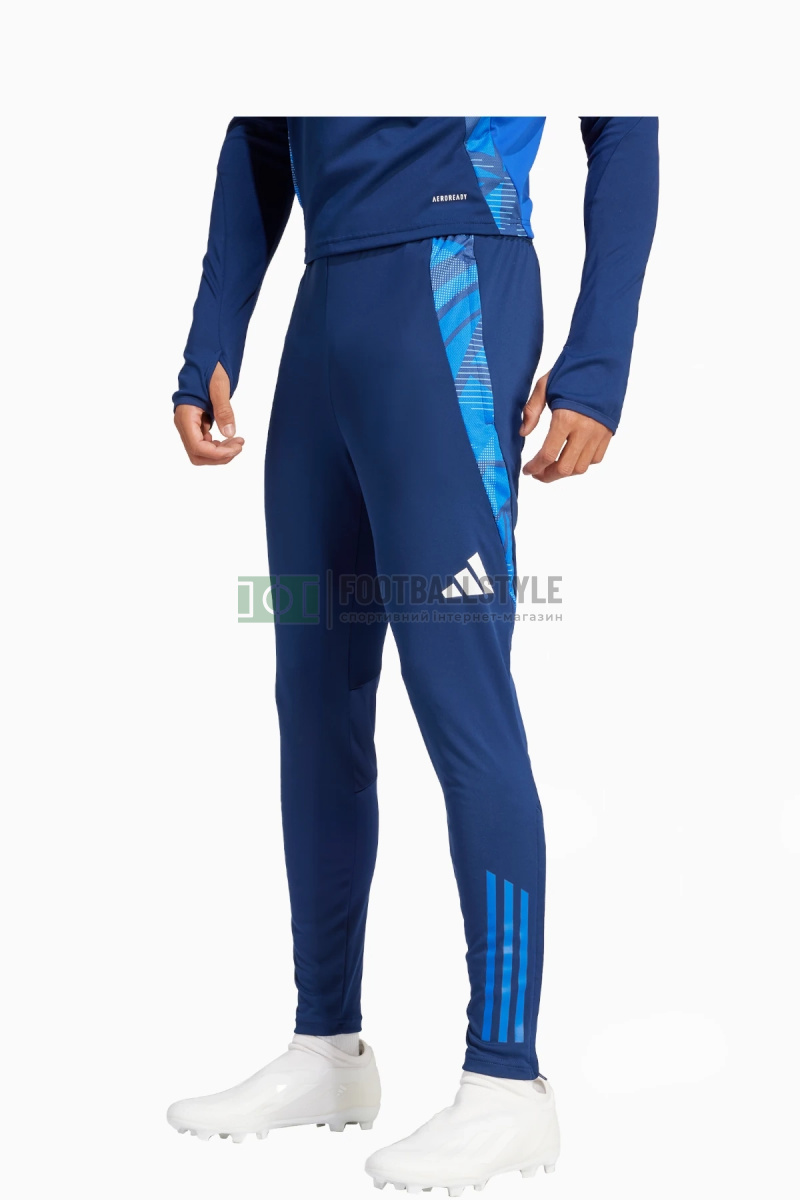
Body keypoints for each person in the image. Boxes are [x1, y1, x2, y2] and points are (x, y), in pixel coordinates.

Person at [167, 116, 659, 1191]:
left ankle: (507, 1082)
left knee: (459, 694)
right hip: (324, 310)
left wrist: (596, 364)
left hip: (453, 285)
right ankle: (326, 1046)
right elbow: (263, 134)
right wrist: (213, 334)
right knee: (315, 697)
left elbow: (625, 118)